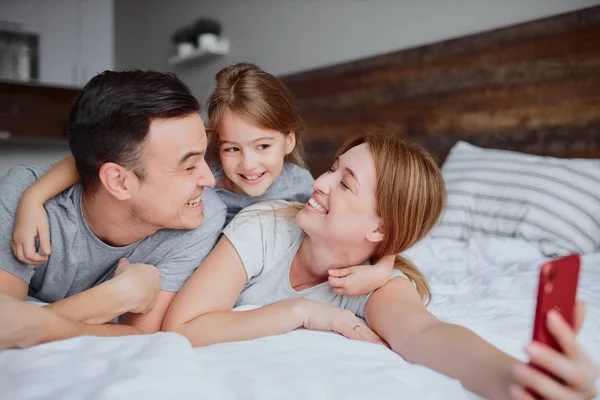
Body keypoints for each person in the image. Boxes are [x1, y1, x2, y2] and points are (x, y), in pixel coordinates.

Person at [161, 130, 598, 400]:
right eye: (333, 168)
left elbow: (427, 335)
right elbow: (182, 327)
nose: (319, 181)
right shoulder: (265, 225)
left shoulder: (381, 285)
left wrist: (517, 382)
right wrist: (304, 311)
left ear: (379, 229)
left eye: (344, 182)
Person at [11, 62, 394, 297]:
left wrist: (383, 267)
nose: (249, 165)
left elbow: (377, 225)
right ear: (216, 145)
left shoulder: (301, 185)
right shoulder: (202, 173)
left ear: (289, 140)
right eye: (232, 149)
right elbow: (96, 160)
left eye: (263, 146)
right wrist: (33, 197)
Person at [0, 69, 226, 343]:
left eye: (203, 158)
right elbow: (5, 326)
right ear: (118, 182)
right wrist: (113, 297)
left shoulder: (201, 216)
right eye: (189, 165)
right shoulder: (28, 203)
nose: (209, 179)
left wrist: (42, 325)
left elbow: (140, 332)